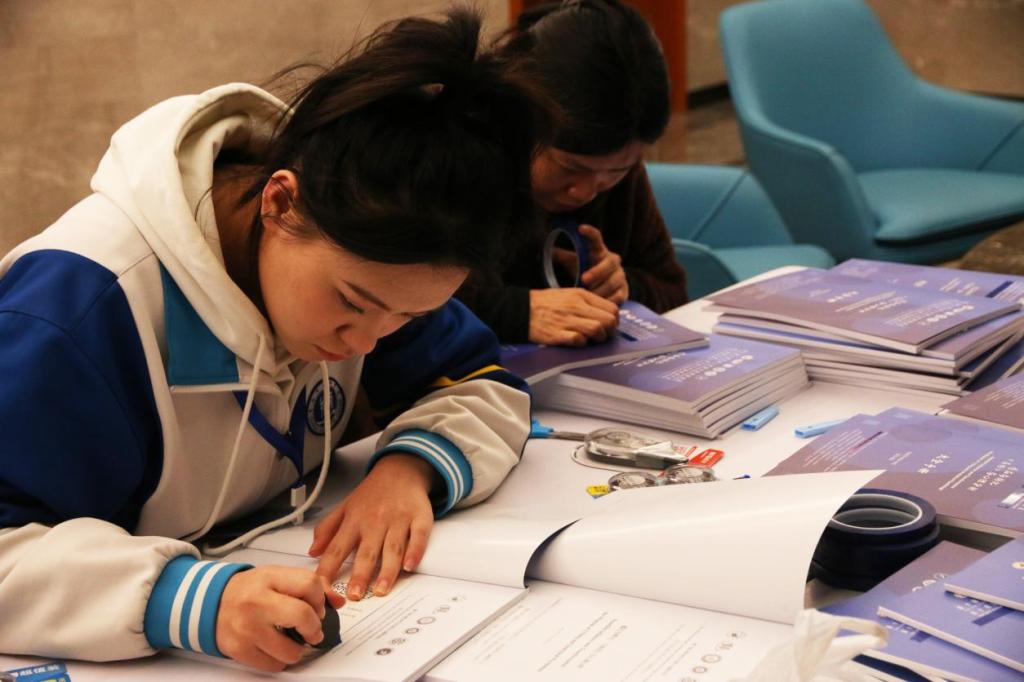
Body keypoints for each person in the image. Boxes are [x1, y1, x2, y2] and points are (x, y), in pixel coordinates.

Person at [0, 9, 552, 672]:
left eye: (407, 319)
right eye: (353, 304)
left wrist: (411, 469)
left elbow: (482, 383)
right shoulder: (75, 316)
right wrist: (182, 599)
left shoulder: (382, 255)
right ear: (280, 204)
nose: (366, 344)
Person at [456, 0, 689, 347]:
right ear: (520, 121)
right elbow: (395, 309)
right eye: (571, 168)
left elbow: (673, 290)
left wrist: (624, 285)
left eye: (616, 170)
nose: (586, 191)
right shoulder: (457, 153)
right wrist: (519, 312)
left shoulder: (613, 161)